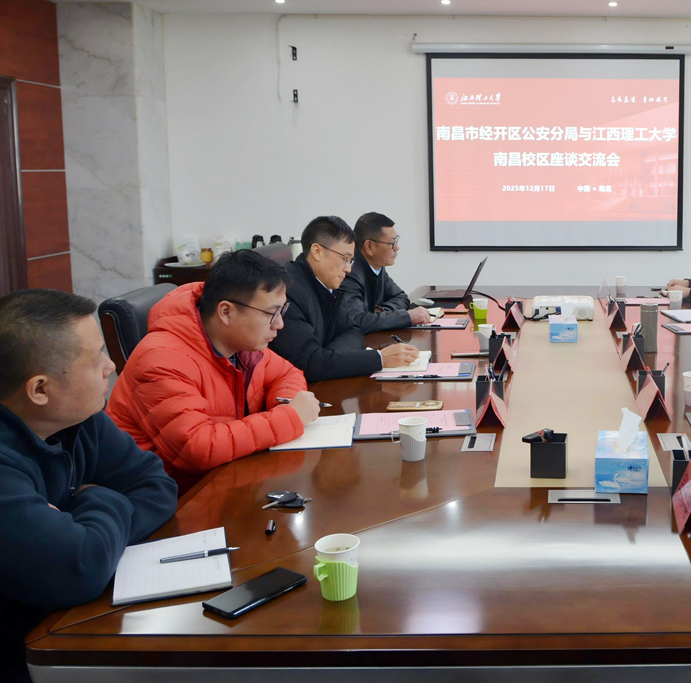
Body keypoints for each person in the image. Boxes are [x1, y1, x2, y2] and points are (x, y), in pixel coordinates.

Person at [0, 290, 177, 683]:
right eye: (96, 357)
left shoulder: (78, 416)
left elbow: (156, 486)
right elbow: (78, 568)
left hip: (68, 621)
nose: (111, 366)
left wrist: (87, 504)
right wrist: (100, 514)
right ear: (40, 389)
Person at [107, 250, 321, 491]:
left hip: (224, 477)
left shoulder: (241, 344)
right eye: (271, 313)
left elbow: (287, 373)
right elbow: (197, 448)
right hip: (169, 496)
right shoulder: (161, 360)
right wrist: (288, 418)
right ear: (226, 312)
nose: (279, 324)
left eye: (282, 311)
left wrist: (286, 405)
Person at [270, 216, 419, 382]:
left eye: (351, 260)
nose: (348, 269)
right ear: (317, 251)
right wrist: (379, 359)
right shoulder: (287, 292)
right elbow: (310, 363)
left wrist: (329, 357)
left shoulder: (324, 284)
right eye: (345, 259)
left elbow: (353, 329)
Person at [340, 212, 432, 333]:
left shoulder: (377, 267)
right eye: (391, 243)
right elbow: (356, 321)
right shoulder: (349, 273)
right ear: (369, 246)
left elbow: (401, 297)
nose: (397, 248)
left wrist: (381, 312)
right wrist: (406, 317)